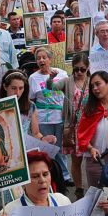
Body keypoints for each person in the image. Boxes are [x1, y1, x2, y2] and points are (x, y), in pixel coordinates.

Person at [29, 47, 70, 183]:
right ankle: (51, 175)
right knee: (47, 149)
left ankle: (65, 175)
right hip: (43, 118)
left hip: (59, 116)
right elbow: (31, 99)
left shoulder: (62, 73)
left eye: (44, 57)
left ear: (50, 59)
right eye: (38, 58)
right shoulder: (33, 78)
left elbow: (68, 93)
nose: (41, 60)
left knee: (60, 148)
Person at [54, 54, 90, 199]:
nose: (79, 72)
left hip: (91, 125)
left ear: (88, 68)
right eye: (76, 69)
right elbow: (52, 87)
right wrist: (51, 76)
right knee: (77, 160)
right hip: (74, 126)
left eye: (82, 69)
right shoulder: (68, 81)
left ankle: (96, 187)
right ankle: (79, 189)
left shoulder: (93, 81)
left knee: (93, 159)